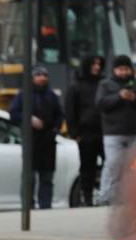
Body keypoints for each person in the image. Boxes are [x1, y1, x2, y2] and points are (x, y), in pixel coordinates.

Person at [95, 55, 136, 205]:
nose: (124, 72)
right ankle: (106, 196)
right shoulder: (106, 85)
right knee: (113, 164)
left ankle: (134, 197)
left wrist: (134, 98)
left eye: (126, 68)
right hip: (113, 133)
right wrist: (119, 97)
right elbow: (101, 103)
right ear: (115, 70)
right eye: (120, 69)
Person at [9, 66, 64, 209]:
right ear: (33, 78)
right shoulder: (24, 94)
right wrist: (29, 119)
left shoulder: (51, 95)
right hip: (31, 140)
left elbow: (59, 115)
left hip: (48, 141)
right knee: (29, 176)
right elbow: (13, 114)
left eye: (44, 75)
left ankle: (45, 205)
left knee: (47, 177)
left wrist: (55, 130)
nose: (42, 78)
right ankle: (28, 205)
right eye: (38, 75)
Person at [64, 55, 105, 206]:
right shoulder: (76, 86)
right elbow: (70, 110)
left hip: (104, 132)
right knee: (87, 167)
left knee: (110, 164)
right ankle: (87, 198)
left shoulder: (103, 82)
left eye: (99, 64)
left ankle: (106, 195)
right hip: (86, 134)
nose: (97, 67)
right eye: (94, 64)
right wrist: (75, 134)